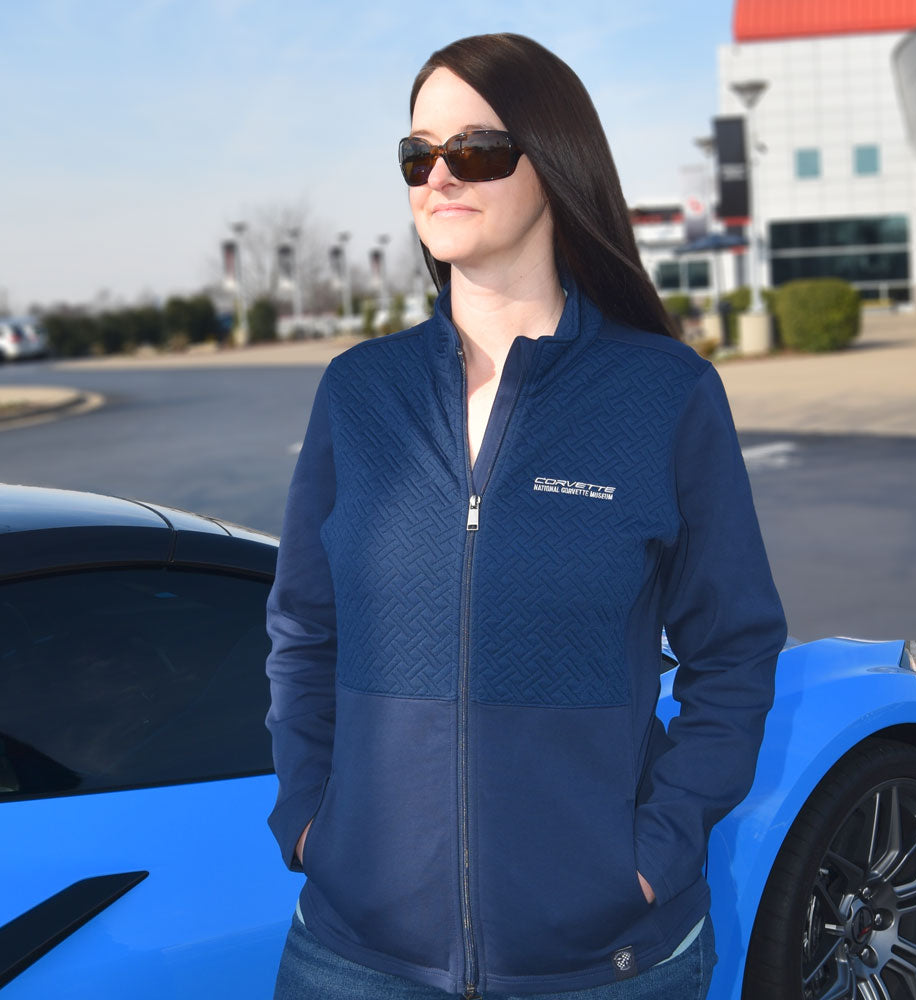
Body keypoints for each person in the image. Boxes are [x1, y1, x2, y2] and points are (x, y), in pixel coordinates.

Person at [265, 32, 786, 1000]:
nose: (438, 177)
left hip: (603, 960)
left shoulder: (662, 393)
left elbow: (735, 648)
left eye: (476, 150)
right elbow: (304, 630)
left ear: (554, 162)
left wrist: (650, 852)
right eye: (418, 155)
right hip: (354, 955)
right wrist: (309, 819)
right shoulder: (358, 392)